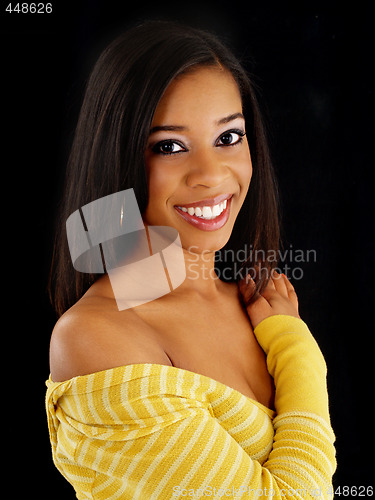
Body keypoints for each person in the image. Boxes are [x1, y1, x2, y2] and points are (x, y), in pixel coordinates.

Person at [46, 20, 336, 499]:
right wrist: (296, 348)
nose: (211, 174)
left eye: (229, 138)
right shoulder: (95, 339)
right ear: (117, 158)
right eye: (170, 147)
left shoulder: (254, 300)